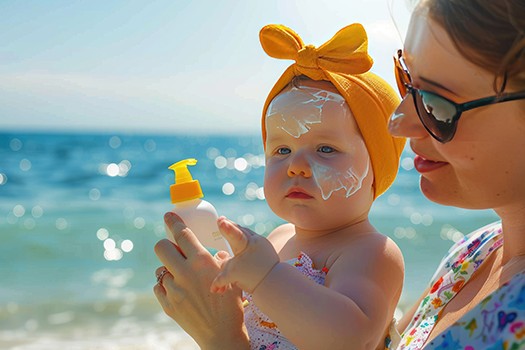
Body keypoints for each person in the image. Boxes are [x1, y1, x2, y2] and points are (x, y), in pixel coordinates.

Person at [155, 0, 525, 348]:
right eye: (407, 83)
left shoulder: (370, 254)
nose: (399, 121)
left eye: (438, 104)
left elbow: (350, 338)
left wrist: (225, 335)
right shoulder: (471, 255)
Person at [155, 23, 406, 350]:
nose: (296, 165)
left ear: (377, 169)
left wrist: (266, 277)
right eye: (282, 150)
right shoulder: (278, 239)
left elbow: (351, 339)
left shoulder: (371, 252)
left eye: (326, 149)